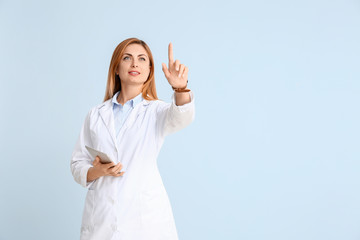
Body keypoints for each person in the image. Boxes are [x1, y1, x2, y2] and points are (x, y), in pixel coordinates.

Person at [70, 37, 195, 240]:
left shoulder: (156, 111)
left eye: (142, 59)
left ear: (149, 71)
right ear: (117, 69)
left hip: (145, 222)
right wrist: (96, 171)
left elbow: (181, 116)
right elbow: (77, 163)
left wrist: (180, 89)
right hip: (102, 221)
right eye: (127, 58)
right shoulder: (95, 114)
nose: (135, 63)